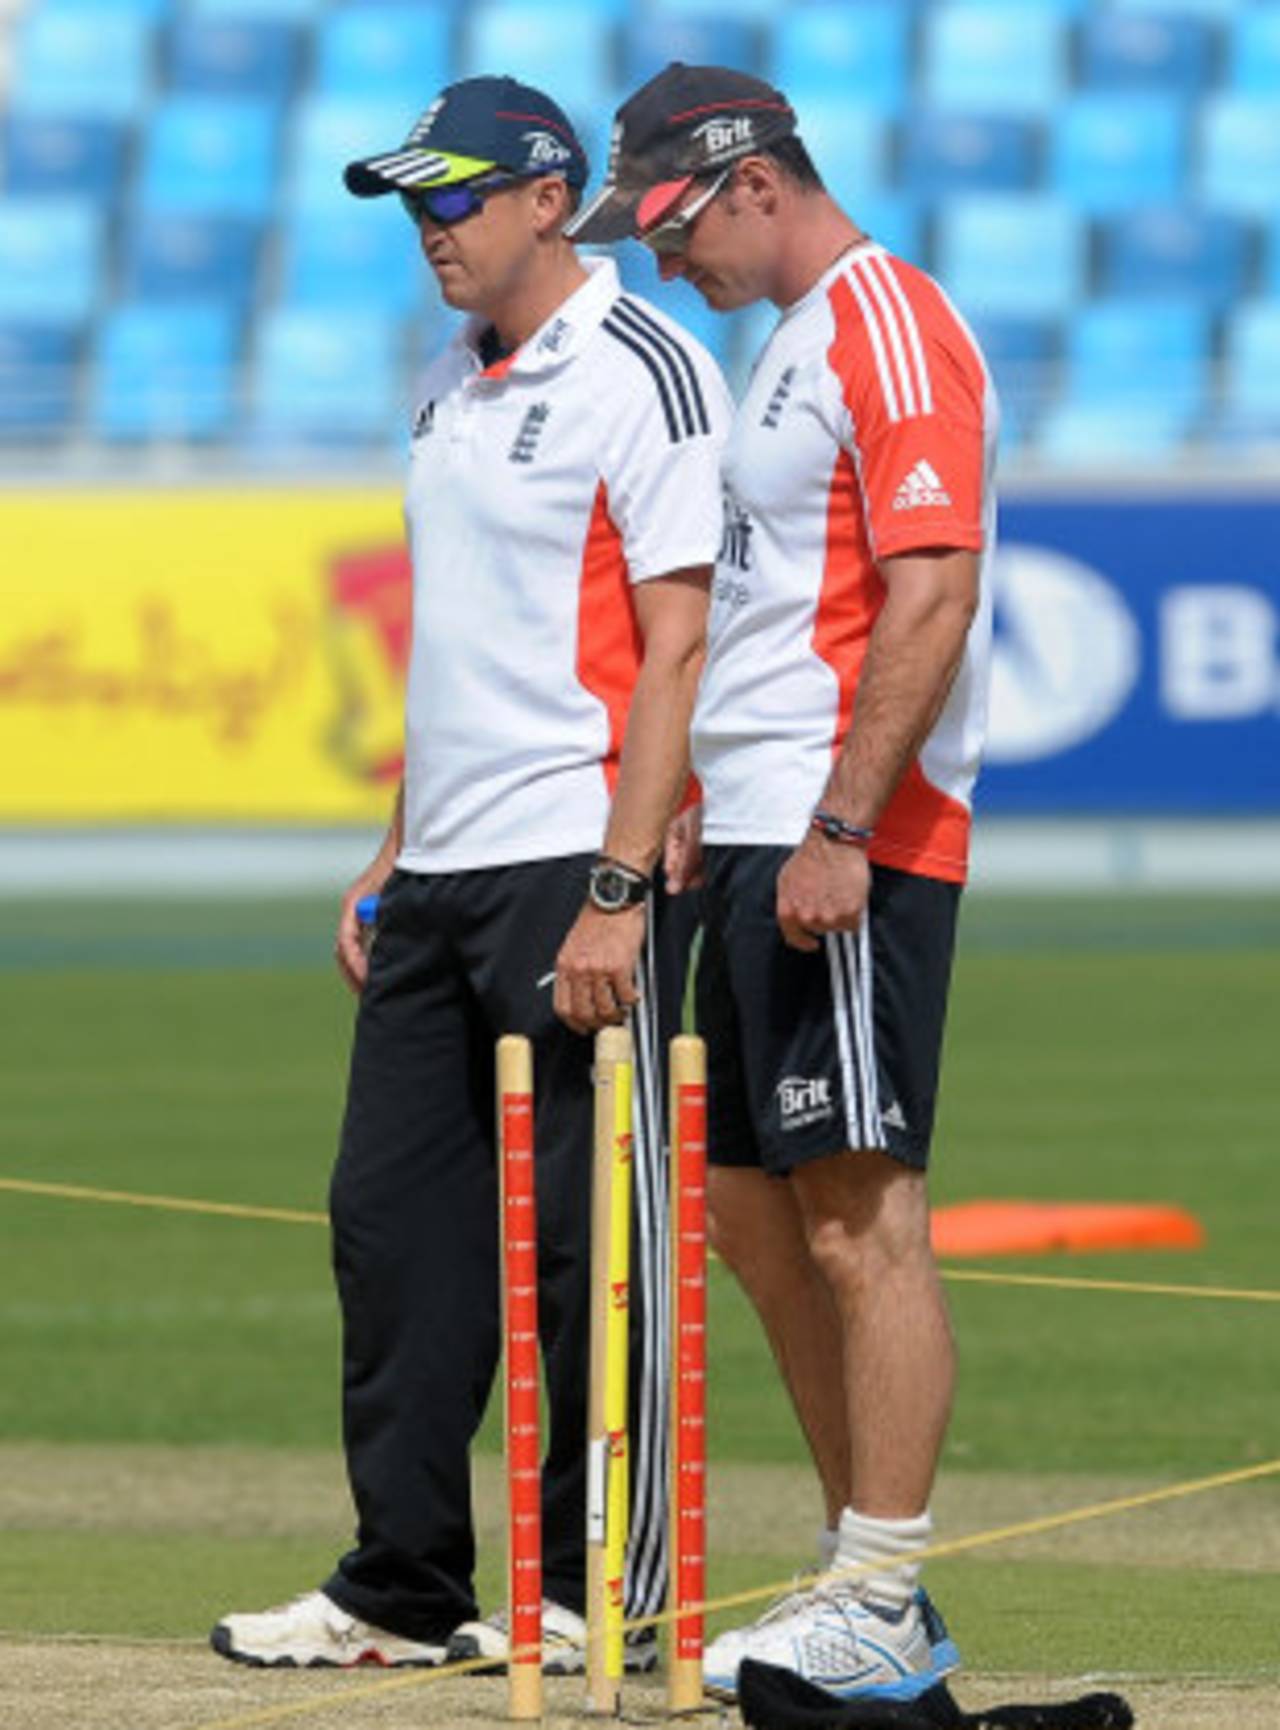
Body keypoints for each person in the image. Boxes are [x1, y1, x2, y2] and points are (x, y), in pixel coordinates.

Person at [211, 75, 731, 1673]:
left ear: (545, 196)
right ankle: (405, 1582)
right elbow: (457, 647)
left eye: (453, 200)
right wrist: (388, 853)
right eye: (414, 205)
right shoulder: (449, 371)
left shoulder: (644, 363)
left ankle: (608, 1592)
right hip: (442, 868)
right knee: (390, 1229)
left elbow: (678, 642)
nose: (429, 231)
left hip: (577, 855)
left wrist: (624, 886)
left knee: (598, 1242)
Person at [569, 63, 996, 1703]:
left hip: (848, 841)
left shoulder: (889, 321)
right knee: (751, 1211)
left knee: (857, 1216)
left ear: (754, 180)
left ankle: (881, 1586)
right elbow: (767, 608)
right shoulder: (790, 346)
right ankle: (862, 1583)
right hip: (754, 827)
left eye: (670, 224)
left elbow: (932, 591)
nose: (661, 257)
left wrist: (839, 821)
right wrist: (700, 806)